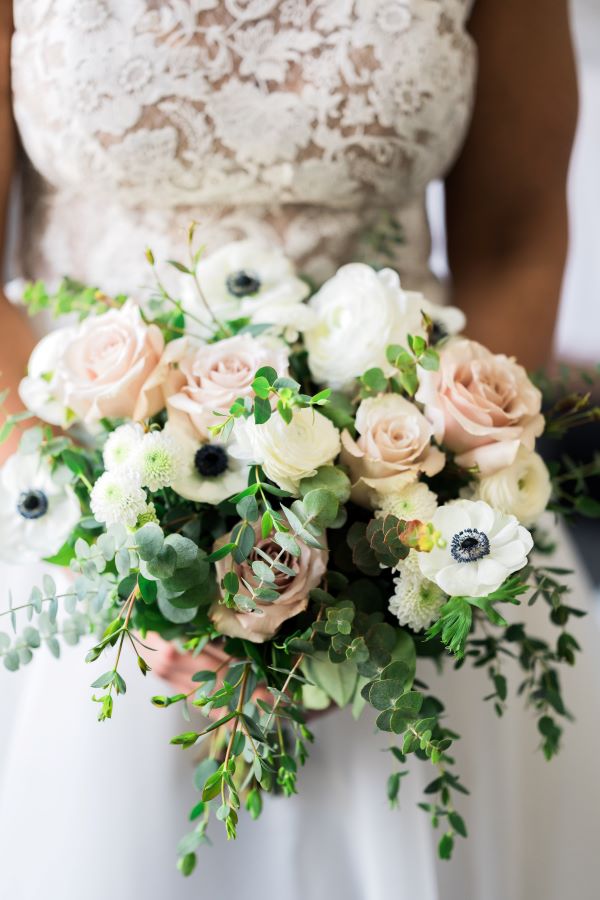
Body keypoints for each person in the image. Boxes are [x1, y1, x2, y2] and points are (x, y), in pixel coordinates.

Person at [1, 2, 597, 899]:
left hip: (416, 520)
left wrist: (413, 516)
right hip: (75, 505)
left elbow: (515, 235)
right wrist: (119, 552)